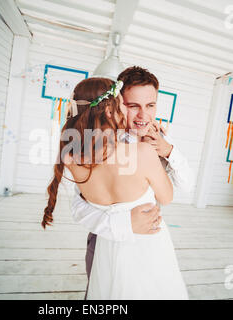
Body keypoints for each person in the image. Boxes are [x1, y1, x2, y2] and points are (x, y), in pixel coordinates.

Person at [42, 75, 189, 299]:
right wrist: (123, 222)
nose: (142, 115)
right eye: (129, 105)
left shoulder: (72, 158)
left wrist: (168, 151)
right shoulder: (141, 153)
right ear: (113, 109)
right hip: (115, 239)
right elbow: (166, 197)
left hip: (111, 248)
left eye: (150, 105)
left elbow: (188, 183)